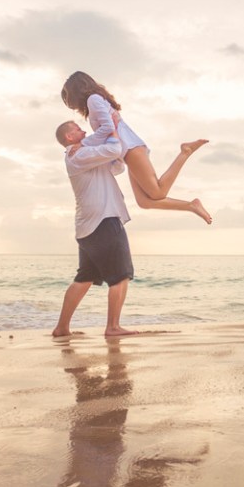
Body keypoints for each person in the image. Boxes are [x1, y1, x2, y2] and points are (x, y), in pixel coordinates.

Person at [60, 71, 212, 224]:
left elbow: (108, 127)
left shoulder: (93, 99)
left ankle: (185, 152)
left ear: (76, 90)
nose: (69, 103)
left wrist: (83, 144)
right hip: (127, 152)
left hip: (131, 148)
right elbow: (108, 132)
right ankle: (191, 205)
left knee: (158, 192)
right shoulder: (95, 101)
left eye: (68, 96)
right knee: (144, 202)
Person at [51, 119, 142, 339]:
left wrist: (113, 151)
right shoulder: (79, 155)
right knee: (121, 276)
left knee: (85, 277)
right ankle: (113, 327)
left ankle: (62, 328)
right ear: (69, 137)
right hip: (103, 219)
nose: (82, 129)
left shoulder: (85, 154)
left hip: (87, 226)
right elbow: (114, 149)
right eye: (76, 128)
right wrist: (111, 128)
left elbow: (117, 165)